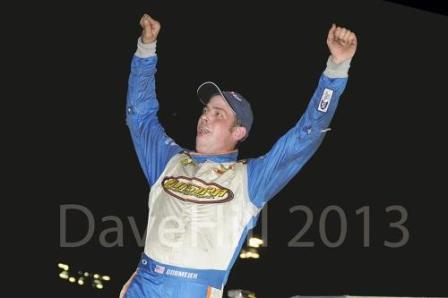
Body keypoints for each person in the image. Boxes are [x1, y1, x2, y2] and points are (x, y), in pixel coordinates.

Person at [120, 13, 357, 298]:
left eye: (218, 114)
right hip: (143, 284)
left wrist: (336, 69)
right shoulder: (167, 160)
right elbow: (140, 117)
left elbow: (305, 136)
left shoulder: (250, 177)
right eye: (205, 111)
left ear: (239, 132)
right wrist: (146, 50)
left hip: (193, 289)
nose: (205, 118)